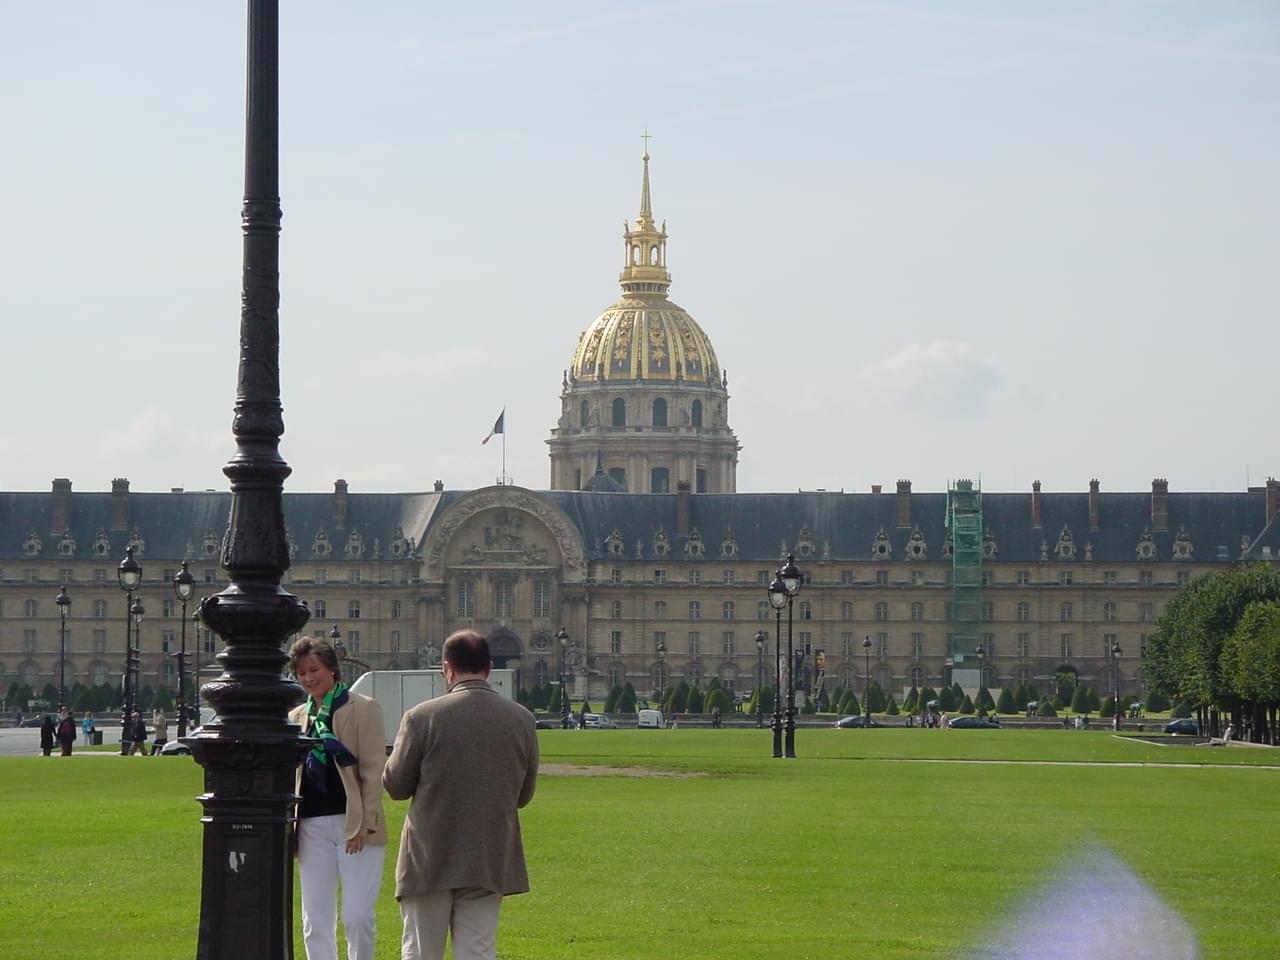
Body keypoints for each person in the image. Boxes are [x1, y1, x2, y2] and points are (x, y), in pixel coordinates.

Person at [384, 629, 538, 960]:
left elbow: (395, 786)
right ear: (489, 668)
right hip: (488, 853)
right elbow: (523, 795)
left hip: (429, 855)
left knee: (423, 952)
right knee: (478, 951)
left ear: (447, 669)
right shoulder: (522, 719)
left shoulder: (421, 717)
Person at [287, 636, 387, 960]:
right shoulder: (297, 717)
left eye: (313, 670)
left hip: (352, 822)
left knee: (357, 917)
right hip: (312, 823)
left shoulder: (363, 708)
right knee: (314, 920)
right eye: (300, 673)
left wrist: (365, 824)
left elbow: (373, 772)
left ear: (332, 670)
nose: (307, 678)